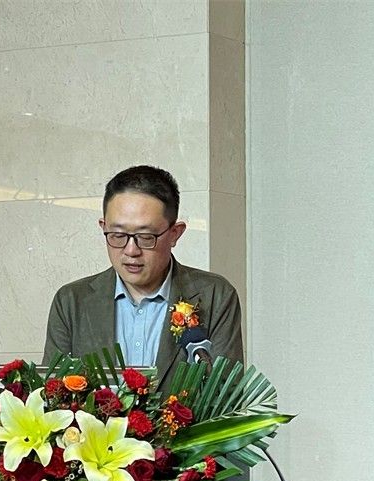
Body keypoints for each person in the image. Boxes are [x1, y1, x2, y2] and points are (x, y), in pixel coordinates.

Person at [43, 165, 243, 392]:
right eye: (118, 235)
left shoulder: (214, 296)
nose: (131, 250)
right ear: (103, 227)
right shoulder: (72, 301)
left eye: (146, 237)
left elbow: (227, 397)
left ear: (175, 233)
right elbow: (52, 395)